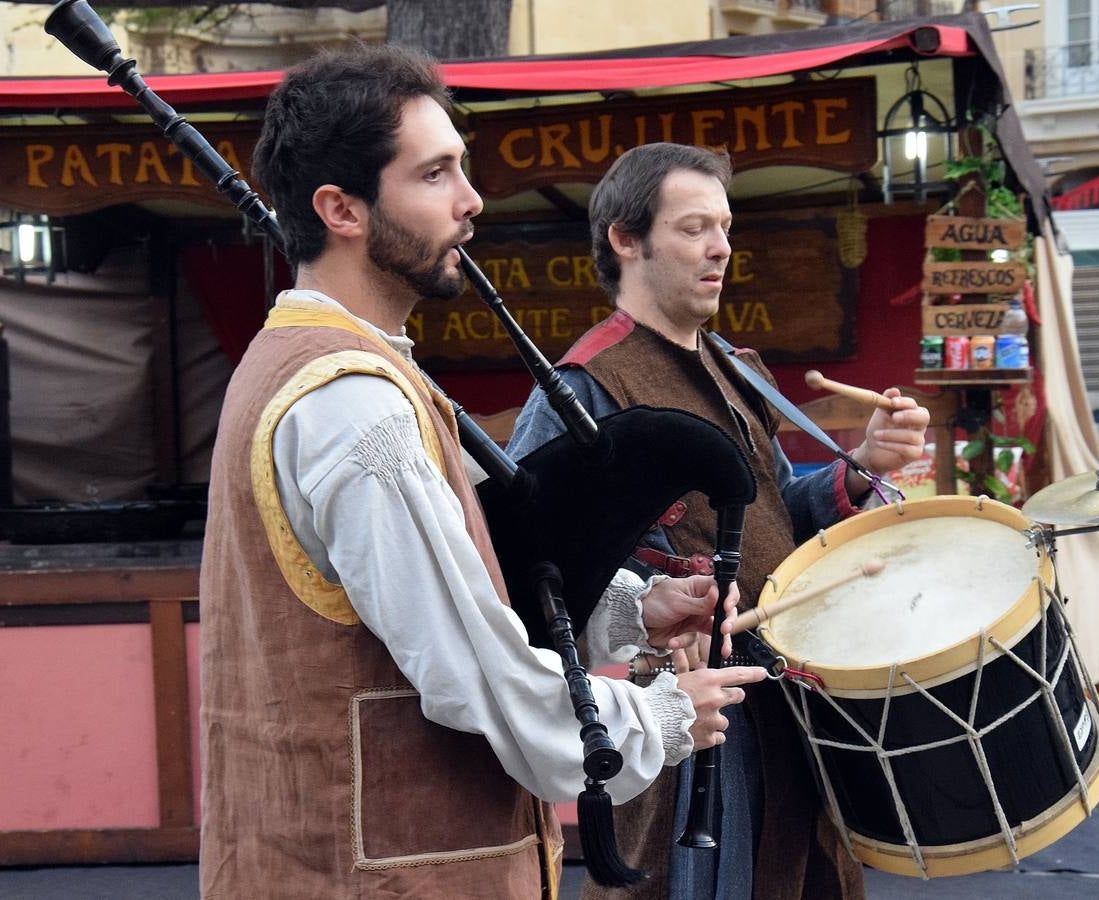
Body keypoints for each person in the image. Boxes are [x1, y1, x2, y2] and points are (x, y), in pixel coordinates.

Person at [198, 48, 768, 898]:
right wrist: (662, 713)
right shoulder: (356, 406)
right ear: (340, 209)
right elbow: (478, 676)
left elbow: (450, 585)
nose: (470, 201)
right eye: (434, 174)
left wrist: (627, 610)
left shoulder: (301, 364)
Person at [508, 143, 931, 900]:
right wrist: (652, 601)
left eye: (725, 227)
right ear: (625, 239)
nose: (720, 248)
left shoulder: (735, 368)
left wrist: (862, 464)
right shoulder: (582, 390)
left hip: (788, 693)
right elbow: (529, 571)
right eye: (694, 227)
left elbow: (776, 523)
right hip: (685, 712)